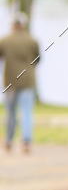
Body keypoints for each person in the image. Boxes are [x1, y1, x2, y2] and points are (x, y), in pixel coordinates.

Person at [0, 13, 40, 153]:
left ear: (13, 25)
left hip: (11, 81)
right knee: (27, 111)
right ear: (23, 25)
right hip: (28, 80)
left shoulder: (5, 41)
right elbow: (38, 59)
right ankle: (26, 142)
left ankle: (9, 140)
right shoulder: (32, 40)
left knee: (11, 112)